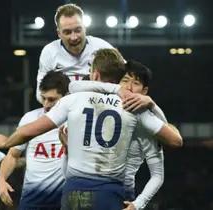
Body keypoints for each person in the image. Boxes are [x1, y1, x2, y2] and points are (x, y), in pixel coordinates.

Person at [0, 48, 182, 210]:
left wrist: (6, 142)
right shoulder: (133, 107)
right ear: (119, 78)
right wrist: (150, 105)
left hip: (73, 190)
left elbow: (28, 131)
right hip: (110, 193)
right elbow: (175, 140)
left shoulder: (73, 99)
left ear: (95, 75)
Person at [66, 60, 183, 210]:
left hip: (121, 193)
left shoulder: (144, 119)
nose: (128, 87)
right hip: (86, 185)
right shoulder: (104, 104)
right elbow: (73, 86)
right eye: (125, 81)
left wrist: (137, 205)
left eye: (136, 83)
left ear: (144, 91)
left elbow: (159, 173)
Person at [0, 71, 70, 210]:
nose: (46, 104)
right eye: (44, 98)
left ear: (66, 98)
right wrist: (1, 179)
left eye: (52, 99)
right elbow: (12, 155)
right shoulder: (30, 119)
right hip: (32, 200)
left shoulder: (75, 123)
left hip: (65, 201)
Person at [35, 3, 124, 102]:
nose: (74, 37)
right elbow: (40, 92)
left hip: (98, 105)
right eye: (67, 32)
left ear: (85, 28)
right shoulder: (49, 52)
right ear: (59, 33)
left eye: (78, 30)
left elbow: (127, 74)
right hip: (61, 107)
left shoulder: (101, 46)